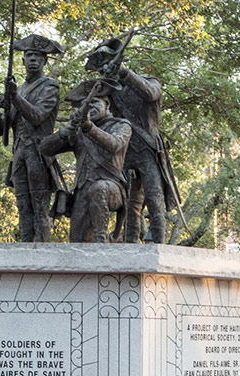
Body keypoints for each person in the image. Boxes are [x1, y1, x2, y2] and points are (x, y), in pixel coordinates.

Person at [87, 37, 175, 243]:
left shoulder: (146, 80)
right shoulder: (106, 93)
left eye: (107, 62)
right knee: (130, 204)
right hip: (123, 153)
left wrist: (124, 72)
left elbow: (151, 94)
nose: (104, 69)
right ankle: (129, 243)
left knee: (154, 198)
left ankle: (159, 244)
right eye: (101, 67)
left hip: (148, 150)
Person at [0, 34, 65, 242]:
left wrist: (15, 97)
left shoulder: (49, 86)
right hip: (19, 154)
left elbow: (37, 116)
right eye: (29, 56)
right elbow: (1, 131)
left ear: (45, 61)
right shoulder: (19, 89)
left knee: (39, 206)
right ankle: (25, 249)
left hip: (39, 154)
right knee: (23, 207)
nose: (33, 60)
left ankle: (41, 251)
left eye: (38, 57)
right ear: (22, 61)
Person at [39, 79, 131, 243]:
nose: (89, 108)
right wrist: (65, 132)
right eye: (84, 105)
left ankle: (101, 240)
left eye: (94, 102)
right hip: (82, 191)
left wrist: (89, 127)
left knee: (98, 188)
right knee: (77, 241)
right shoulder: (79, 131)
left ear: (107, 104)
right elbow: (45, 148)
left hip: (112, 188)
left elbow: (114, 145)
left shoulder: (121, 125)